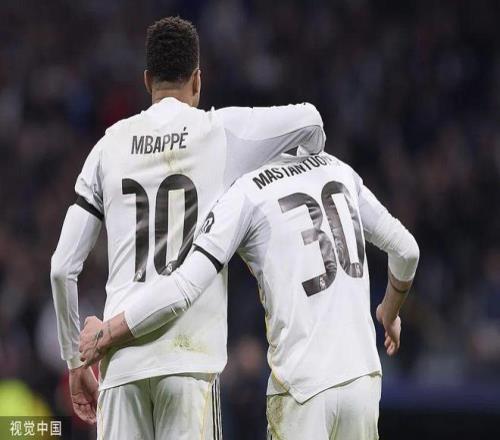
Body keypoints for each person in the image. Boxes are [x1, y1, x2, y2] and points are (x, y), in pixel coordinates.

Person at [50, 16, 325, 439]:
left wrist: (75, 361)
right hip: (188, 363)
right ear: (197, 80)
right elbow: (311, 121)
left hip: (120, 364)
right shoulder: (221, 131)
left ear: (147, 81)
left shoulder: (108, 145)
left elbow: (61, 268)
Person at [80, 152, 419, 440]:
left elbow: (183, 288)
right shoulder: (338, 169)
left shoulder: (248, 190)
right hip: (363, 380)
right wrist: (388, 312)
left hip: (303, 388)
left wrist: (107, 333)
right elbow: (407, 251)